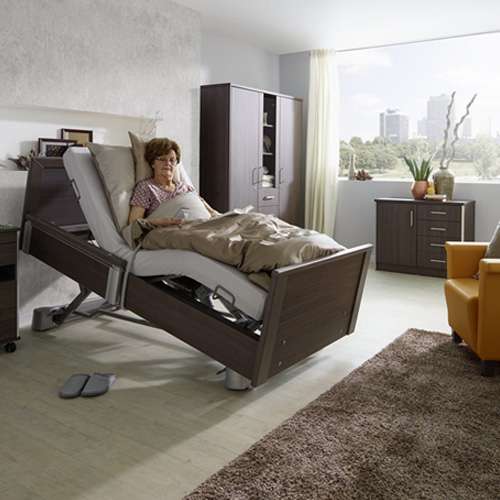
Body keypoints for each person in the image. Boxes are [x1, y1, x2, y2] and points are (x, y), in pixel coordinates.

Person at [128, 138, 217, 226]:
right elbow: (134, 224)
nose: (168, 163)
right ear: (152, 163)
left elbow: (213, 214)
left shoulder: (186, 188)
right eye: (162, 159)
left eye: (172, 160)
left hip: (200, 227)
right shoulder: (146, 188)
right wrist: (161, 222)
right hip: (170, 232)